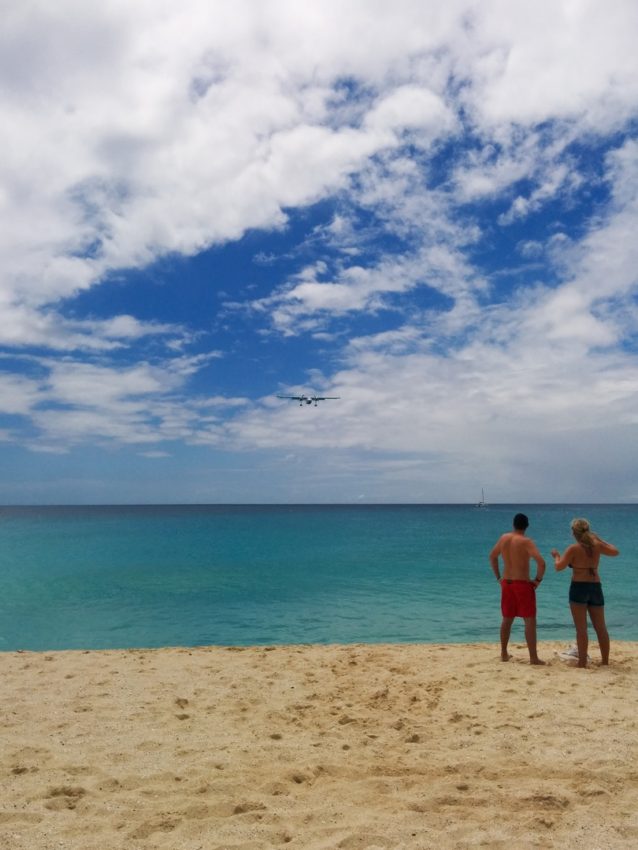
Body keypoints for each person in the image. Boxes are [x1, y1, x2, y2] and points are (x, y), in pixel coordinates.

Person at [551, 518, 619, 668]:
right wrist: (599, 539)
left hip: (578, 587)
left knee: (581, 629)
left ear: (573, 533)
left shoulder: (573, 549)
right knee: (601, 627)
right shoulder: (597, 546)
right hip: (595, 587)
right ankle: (605, 661)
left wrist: (556, 556)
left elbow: (559, 567)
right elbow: (615, 551)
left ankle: (582, 662)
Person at [489, 513, 546, 664]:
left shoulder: (504, 538)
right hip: (522, 584)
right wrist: (537, 580)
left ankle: (503, 653)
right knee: (529, 620)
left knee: (507, 619)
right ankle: (533, 658)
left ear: (513, 524)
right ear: (526, 526)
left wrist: (498, 578)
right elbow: (541, 563)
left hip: (506, 583)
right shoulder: (526, 541)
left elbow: (492, 556)